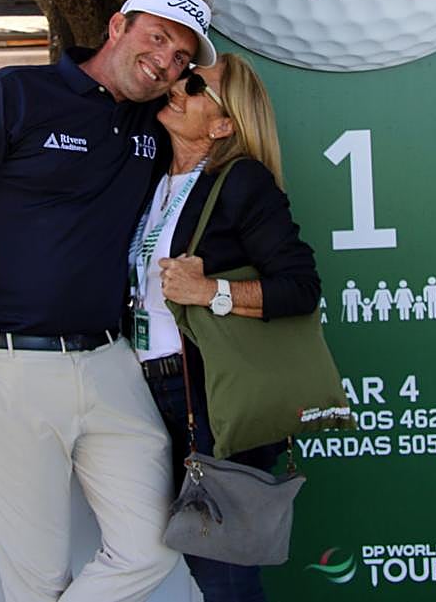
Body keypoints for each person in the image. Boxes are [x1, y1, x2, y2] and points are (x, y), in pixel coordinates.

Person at [0, 0, 218, 602]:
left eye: (182, 57)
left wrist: (194, 97)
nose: (165, 61)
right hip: (9, 368)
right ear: (117, 26)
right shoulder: (13, 95)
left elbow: (218, 113)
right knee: (36, 579)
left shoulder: (154, 124)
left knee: (154, 547)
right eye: (156, 37)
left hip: (111, 364)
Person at [129, 53, 320, 602]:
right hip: (145, 388)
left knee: (223, 576)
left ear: (222, 124)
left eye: (194, 85)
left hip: (213, 397)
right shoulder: (150, 179)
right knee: (171, 562)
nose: (177, 87)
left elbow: (300, 287)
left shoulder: (241, 181)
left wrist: (210, 292)